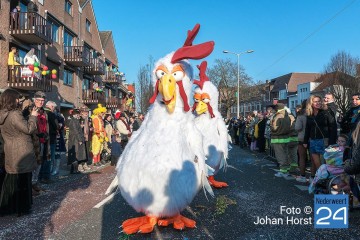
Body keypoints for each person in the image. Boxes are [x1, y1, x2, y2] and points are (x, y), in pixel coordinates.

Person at [0, 89, 38, 216]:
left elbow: (14, 126)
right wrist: (33, 116)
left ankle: (8, 207)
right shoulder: (15, 114)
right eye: (17, 98)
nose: (19, 100)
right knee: (23, 181)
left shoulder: (3, 114)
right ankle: (23, 208)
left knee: (11, 181)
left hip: (10, 150)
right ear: (12, 99)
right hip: (22, 151)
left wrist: (25, 112)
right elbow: (28, 129)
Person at [303, 95, 335, 182]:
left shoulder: (326, 112)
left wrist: (332, 141)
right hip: (313, 140)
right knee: (317, 163)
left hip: (324, 140)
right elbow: (307, 129)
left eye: (319, 101)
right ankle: (321, 179)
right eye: (315, 101)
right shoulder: (310, 114)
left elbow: (333, 126)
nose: (318, 103)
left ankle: (327, 181)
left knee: (326, 163)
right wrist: (305, 141)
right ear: (311, 103)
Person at [271, 103, 292, 177]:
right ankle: (286, 169)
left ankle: (283, 171)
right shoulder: (287, 115)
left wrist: (271, 128)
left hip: (278, 138)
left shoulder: (278, 115)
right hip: (286, 138)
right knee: (286, 154)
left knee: (280, 155)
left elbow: (274, 127)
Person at [67, 109, 86, 173]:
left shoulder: (75, 120)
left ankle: (74, 169)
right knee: (76, 154)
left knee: (76, 154)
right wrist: (80, 139)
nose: (78, 116)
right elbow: (76, 131)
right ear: (75, 115)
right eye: (78, 114)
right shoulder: (73, 121)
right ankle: (74, 170)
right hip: (75, 140)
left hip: (75, 139)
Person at [44, 101, 59, 177]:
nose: (54, 109)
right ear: (51, 107)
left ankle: (42, 175)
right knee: (49, 157)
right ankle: (47, 175)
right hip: (51, 138)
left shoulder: (42, 112)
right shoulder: (51, 114)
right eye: (54, 107)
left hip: (43, 137)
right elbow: (56, 126)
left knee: (43, 157)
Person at [295, 100, 308, 183]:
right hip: (313, 138)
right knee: (314, 159)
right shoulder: (315, 113)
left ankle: (302, 175)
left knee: (302, 157)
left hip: (302, 138)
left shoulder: (301, 115)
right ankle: (313, 176)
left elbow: (297, 128)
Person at [79, 105, 92, 171]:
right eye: (85, 111)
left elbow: (91, 127)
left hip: (87, 137)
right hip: (81, 137)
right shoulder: (79, 119)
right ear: (81, 112)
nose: (86, 113)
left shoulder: (89, 119)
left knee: (86, 150)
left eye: (87, 111)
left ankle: (85, 163)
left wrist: (91, 128)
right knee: (81, 151)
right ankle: (80, 164)